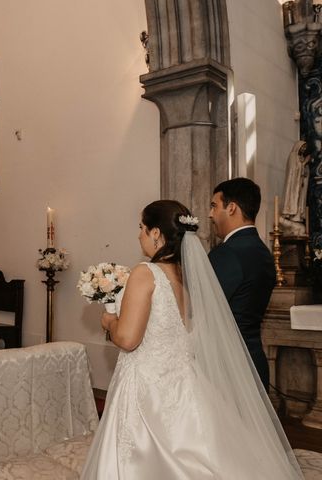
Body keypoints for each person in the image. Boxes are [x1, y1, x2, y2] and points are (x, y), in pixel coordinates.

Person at [81, 200, 302, 479]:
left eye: (142, 228)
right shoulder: (187, 276)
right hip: (185, 380)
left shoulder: (144, 272)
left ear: (157, 234)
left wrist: (109, 321)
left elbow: (127, 339)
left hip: (147, 383)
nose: (139, 235)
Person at [208, 178, 275, 390]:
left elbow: (204, 310)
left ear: (232, 208)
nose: (210, 214)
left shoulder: (227, 253)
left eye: (214, 206)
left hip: (228, 368)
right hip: (254, 359)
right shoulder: (263, 252)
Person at [280, 141, 311, 236]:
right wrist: (304, 162)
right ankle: (290, 216)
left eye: (305, 148)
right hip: (293, 187)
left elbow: (304, 172)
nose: (304, 149)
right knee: (294, 199)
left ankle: (297, 218)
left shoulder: (301, 158)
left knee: (299, 202)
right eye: (302, 147)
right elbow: (294, 170)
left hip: (300, 186)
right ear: (298, 146)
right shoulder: (293, 156)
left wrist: (305, 166)